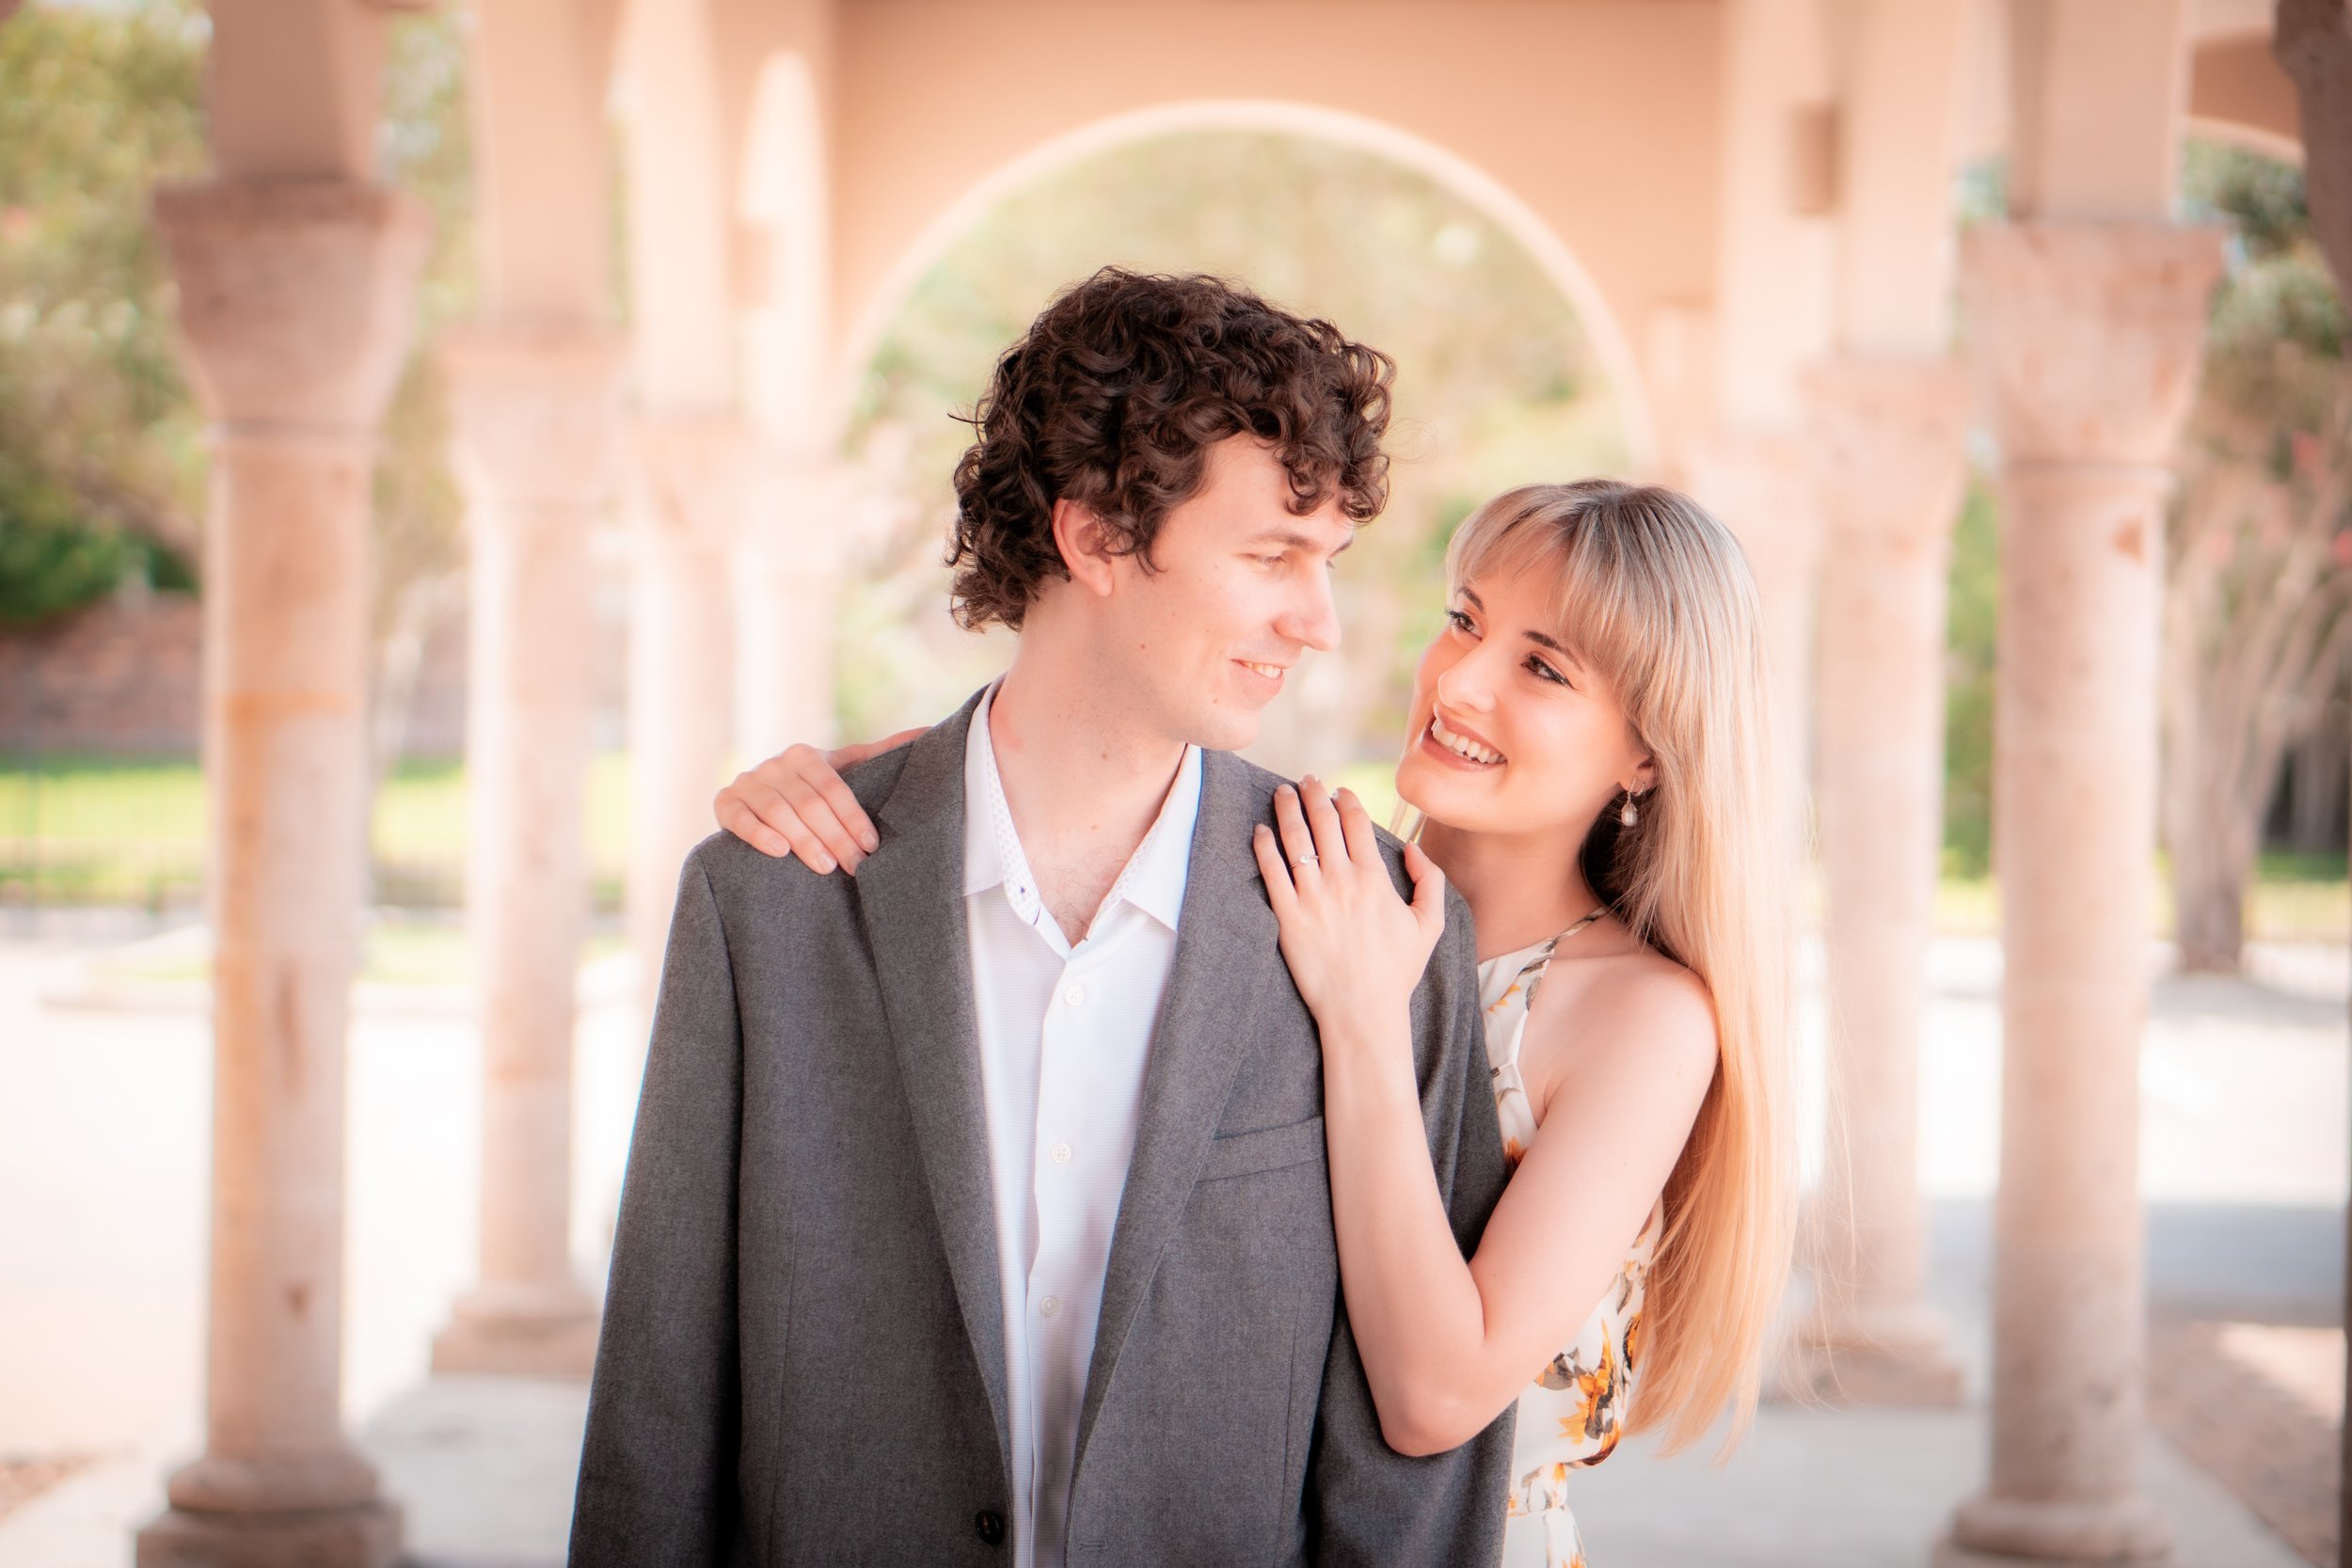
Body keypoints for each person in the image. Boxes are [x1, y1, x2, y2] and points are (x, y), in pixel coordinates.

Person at [569, 268, 1517, 1568]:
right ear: (1097, 540)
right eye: (1271, 556)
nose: (1323, 622)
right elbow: (659, 1398)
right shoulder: (766, 901)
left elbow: (1412, 1480)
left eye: (1331, 562)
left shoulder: (1383, 923)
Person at [717, 480, 1797, 1566]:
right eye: (1465, 619)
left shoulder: (1642, 1018)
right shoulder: (1297, 879)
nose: (1460, 679)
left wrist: (1369, 1021)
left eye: (1543, 667)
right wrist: (847, 795)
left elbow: (1435, 1396)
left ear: (1647, 754)